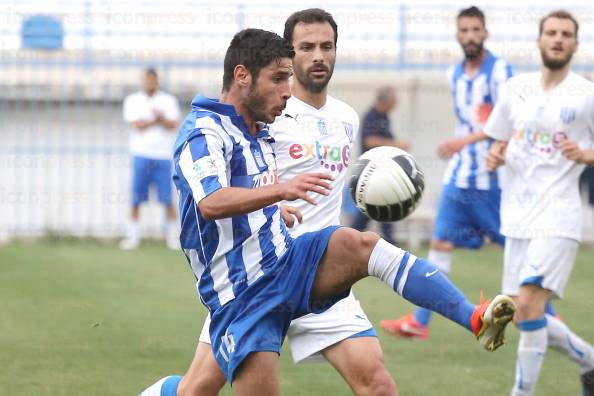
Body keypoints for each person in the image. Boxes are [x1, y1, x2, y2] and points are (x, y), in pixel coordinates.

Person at [141, 27, 515, 396]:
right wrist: (281, 190)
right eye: (278, 79)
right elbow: (211, 203)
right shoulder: (203, 133)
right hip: (243, 295)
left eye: (289, 78)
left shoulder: (259, 129)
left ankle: (472, 316)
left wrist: (275, 208)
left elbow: (247, 190)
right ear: (242, 76)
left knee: (363, 246)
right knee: (197, 391)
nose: (287, 91)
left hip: (287, 262)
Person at [380, 6, 513, 340]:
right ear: (458, 35)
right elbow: (468, 119)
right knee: (439, 243)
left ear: (485, 33)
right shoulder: (454, 74)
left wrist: (463, 141)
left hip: (489, 179)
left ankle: (542, 313)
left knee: (514, 251)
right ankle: (420, 322)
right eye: (464, 30)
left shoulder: (500, 72)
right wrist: (460, 144)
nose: (470, 36)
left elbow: (509, 120)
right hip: (459, 177)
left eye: (475, 30)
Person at [484, 10, 594, 396]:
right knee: (521, 313)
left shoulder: (586, 94)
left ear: (575, 45)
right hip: (517, 216)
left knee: (529, 305)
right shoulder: (516, 88)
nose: (558, 39)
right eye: (551, 32)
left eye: (566, 34)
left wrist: (586, 154)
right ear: (540, 40)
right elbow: (497, 139)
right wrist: (495, 155)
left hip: (559, 214)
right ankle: (589, 360)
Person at [120, 68, 181, 250]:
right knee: (136, 198)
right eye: (147, 80)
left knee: (167, 198)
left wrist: (157, 119)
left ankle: (172, 238)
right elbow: (136, 125)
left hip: (162, 156)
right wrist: (157, 119)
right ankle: (132, 238)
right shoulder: (133, 100)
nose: (150, 83)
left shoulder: (168, 100)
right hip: (141, 155)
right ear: (143, 81)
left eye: (153, 80)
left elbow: (173, 124)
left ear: (157, 81)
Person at [350, 87, 409, 245]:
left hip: (382, 171)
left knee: (379, 206)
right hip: (371, 171)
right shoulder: (371, 117)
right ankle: (350, 240)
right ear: (386, 101)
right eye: (393, 103)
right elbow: (370, 141)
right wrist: (396, 144)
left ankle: (387, 242)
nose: (394, 106)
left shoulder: (384, 118)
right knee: (375, 206)